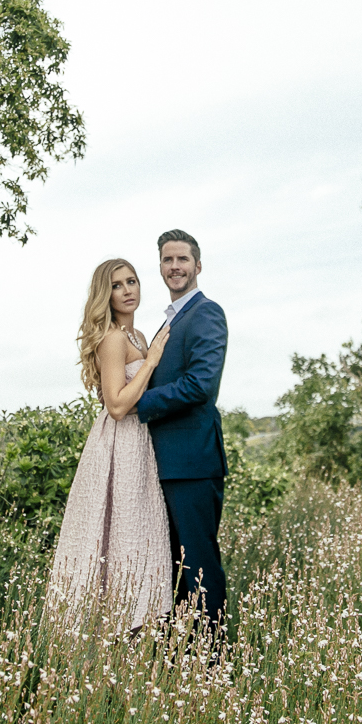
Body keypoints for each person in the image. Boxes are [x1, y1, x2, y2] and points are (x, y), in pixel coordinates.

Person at [47, 258, 175, 632]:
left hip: (141, 443)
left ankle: (138, 625)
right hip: (119, 444)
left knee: (138, 535)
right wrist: (151, 362)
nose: (127, 290)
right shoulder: (115, 339)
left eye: (132, 281)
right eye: (117, 285)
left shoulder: (137, 335)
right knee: (117, 536)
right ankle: (116, 629)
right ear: (106, 294)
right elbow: (117, 405)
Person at [135, 230, 229, 628]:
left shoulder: (206, 313)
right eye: (168, 260)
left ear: (198, 266)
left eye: (183, 260)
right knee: (173, 573)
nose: (175, 267)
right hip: (164, 464)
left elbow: (200, 384)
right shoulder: (166, 323)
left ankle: (215, 664)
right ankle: (183, 665)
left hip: (192, 463)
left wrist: (137, 405)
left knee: (200, 569)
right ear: (159, 267)